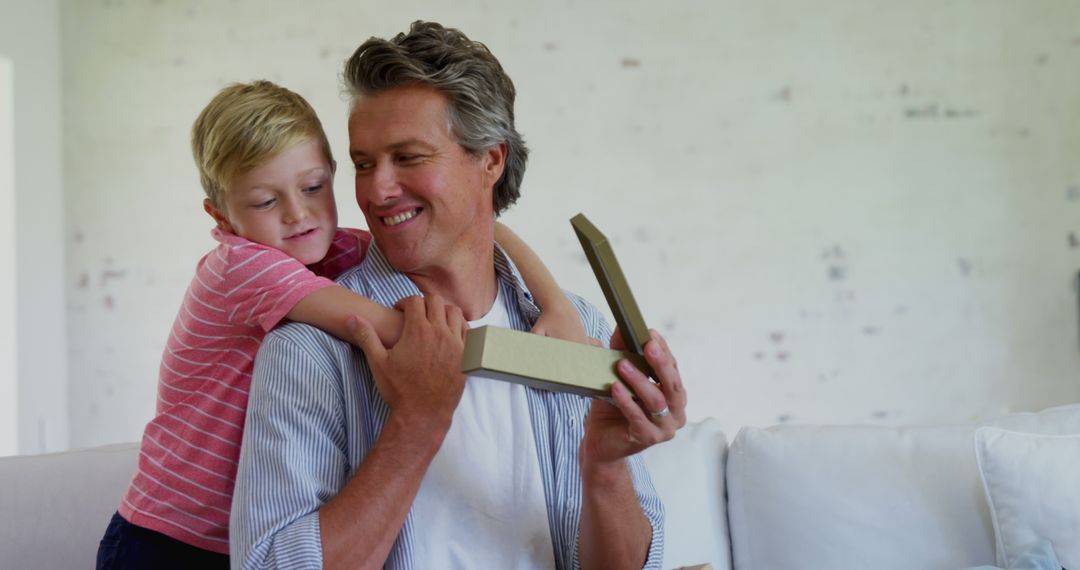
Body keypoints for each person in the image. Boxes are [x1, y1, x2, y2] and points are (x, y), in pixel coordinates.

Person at [230, 21, 688, 570]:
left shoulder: (572, 330)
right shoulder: (311, 349)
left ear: (490, 160)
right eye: (363, 163)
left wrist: (606, 465)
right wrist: (416, 423)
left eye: (409, 156)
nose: (376, 190)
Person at [95, 80, 589, 570]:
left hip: (231, 534)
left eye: (313, 187)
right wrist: (556, 363)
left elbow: (483, 223)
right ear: (220, 214)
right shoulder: (242, 267)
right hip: (163, 540)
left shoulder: (335, 249)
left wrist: (554, 302)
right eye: (266, 202)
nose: (298, 214)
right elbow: (403, 336)